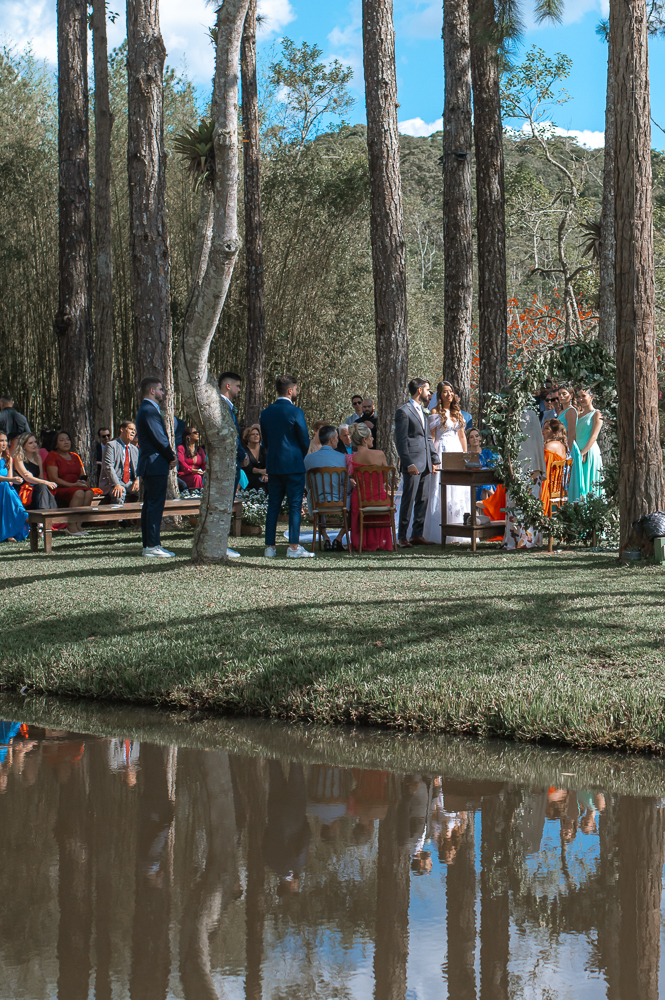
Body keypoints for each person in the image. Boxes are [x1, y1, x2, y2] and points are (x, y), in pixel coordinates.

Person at [260, 374, 315, 559]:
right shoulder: (296, 412)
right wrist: (300, 453)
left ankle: (270, 547)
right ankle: (293, 547)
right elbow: (304, 439)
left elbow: (265, 441)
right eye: (296, 389)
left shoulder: (265, 412)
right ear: (290, 391)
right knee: (294, 506)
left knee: (273, 506)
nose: (297, 392)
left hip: (274, 465)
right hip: (293, 465)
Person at [135, 376, 177, 558]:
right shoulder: (149, 410)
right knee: (154, 505)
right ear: (152, 391)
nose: (162, 393)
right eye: (160, 389)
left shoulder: (147, 409)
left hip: (151, 463)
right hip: (154, 463)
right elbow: (160, 438)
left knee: (150, 505)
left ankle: (150, 544)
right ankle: (152, 545)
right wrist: (171, 456)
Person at [394, 377, 439, 547]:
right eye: (428, 390)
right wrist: (408, 463)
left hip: (426, 462)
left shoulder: (424, 411)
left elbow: (428, 438)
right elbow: (400, 440)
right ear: (419, 390)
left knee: (423, 499)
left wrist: (434, 459)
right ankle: (402, 537)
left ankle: (416, 534)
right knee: (409, 499)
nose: (429, 393)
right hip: (413, 463)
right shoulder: (403, 412)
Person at [422, 380, 468, 544]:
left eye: (451, 391)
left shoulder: (458, 413)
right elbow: (432, 437)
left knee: (457, 488)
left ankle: (458, 529)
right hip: (442, 451)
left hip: (456, 451)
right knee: (441, 488)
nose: (449, 394)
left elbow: (462, 436)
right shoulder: (435, 411)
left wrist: (465, 456)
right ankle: (438, 530)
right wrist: (433, 459)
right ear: (440, 395)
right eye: (445, 392)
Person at [346, 421, 393, 551]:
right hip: (380, 500)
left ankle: (361, 542)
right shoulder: (380, 454)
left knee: (356, 500)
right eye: (371, 436)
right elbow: (384, 478)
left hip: (361, 501)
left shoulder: (351, 459)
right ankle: (378, 542)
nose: (373, 438)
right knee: (384, 498)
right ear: (364, 439)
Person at [503, 409, 547, 549]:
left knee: (530, 504)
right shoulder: (512, 431)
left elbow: (538, 451)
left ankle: (529, 539)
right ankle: (515, 538)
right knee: (514, 504)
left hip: (532, 470)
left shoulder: (533, 431)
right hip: (515, 469)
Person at [218, 371, 250, 559]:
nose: (239, 390)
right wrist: (242, 454)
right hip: (229, 462)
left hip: (231, 461)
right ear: (228, 386)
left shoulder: (226, 406)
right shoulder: (222, 406)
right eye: (237, 386)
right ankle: (221, 545)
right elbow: (231, 436)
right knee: (225, 504)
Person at [304, 425, 349, 546]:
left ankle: (325, 537)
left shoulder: (308, 459)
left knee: (315, 496)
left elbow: (308, 484)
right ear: (332, 439)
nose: (338, 440)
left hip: (317, 501)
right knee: (353, 499)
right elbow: (347, 485)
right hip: (339, 501)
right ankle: (339, 537)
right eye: (336, 438)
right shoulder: (342, 458)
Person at [45, 431, 94, 536]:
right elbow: (53, 478)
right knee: (79, 493)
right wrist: (74, 485)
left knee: (89, 492)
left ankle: (78, 525)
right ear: (56, 444)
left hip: (77, 486)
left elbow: (83, 475)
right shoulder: (52, 456)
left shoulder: (75, 456)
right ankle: (71, 526)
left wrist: (84, 483)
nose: (66, 442)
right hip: (61, 488)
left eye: (67, 439)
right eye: (61, 440)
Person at [12, 432, 58, 510]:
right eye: (30, 443)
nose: (34, 445)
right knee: (43, 486)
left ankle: (43, 514)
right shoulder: (18, 457)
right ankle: (44, 515)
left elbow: (41, 478)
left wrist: (44, 482)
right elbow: (27, 478)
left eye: (35, 442)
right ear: (23, 445)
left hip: (37, 489)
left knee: (44, 488)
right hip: (24, 491)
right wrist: (46, 482)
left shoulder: (37, 458)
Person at [98, 421, 140, 504]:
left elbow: (138, 467)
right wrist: (116, 484)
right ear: (122, 430)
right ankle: (117, 517)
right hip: (112, 482)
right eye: (130, 429)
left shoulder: (135, 449)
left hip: (129, 482)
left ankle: (139, 516)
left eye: (134, 430)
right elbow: (108, 467)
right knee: (120, 493)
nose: (133, 432)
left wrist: (137, 480)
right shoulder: (111, 445)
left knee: (146, 490)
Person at [555, 384, 583, 501]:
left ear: (571, 395)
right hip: (561, 447)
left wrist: (569, 453)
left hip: (569, 448)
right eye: (559, 394)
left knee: (569, 480)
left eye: (564, 394)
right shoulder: (561, 411)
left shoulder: (571, 410)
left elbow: (572, 434)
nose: (561, 396)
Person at [575, 387, 603, 498]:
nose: (581, 399)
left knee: (589, 480)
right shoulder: (578, 415)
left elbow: (594, 436)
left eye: (583, 396)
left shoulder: (596, 414)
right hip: (577, 450)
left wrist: (583, 452)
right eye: (579, 397)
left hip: (589, 450)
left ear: (591, 398)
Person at [0, 432, 28, 541]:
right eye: (1, 440)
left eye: (6, 440)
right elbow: (9, 479)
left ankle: (11, 530)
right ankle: (9, 533)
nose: (4, 443)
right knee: (6, 487)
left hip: (5, 488)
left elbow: (10, 477)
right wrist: (10, 480)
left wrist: (13, 480)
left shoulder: (7, 457)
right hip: (3, 487)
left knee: (6, 487)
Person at [177, 426, 206, 494]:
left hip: (199, 475)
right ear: (188, 436)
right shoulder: (181, 448)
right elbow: (182, 463)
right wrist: (192, 470)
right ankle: (196, 497)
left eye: (197, 432)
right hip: (184, 475)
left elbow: (205, 463)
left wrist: (205, 471)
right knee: (197, 477)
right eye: (195, 432)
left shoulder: (200, 450)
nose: (197, 434)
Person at [241, 424, 268, 492]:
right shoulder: (244, 451)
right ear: (247, 437)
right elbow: (247, 467)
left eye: (257, 434)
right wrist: (261, 471)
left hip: (265, 476)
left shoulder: (264, 450)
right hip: (250, 476)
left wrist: (266, 474)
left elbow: (269, 463)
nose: (256, 436)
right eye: (252, 434)